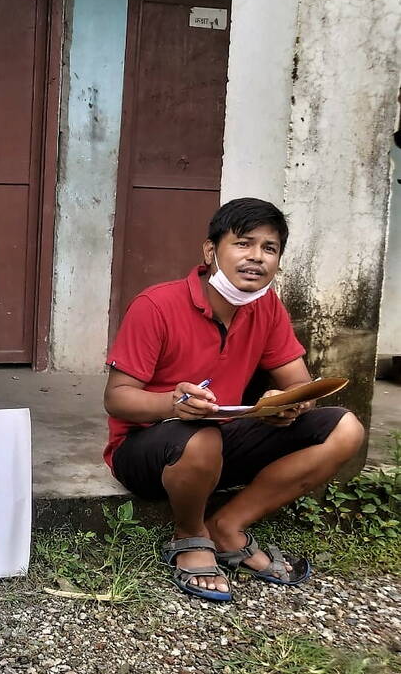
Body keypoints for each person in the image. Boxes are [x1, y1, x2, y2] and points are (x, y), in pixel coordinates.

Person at [103, 198, 364, 602]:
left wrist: (286, 403)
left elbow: (303, 385)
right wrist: (173, 405)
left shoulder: (267, 308)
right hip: (147, 452)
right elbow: (117, 400)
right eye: (243, 243)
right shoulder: (156, 305)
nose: (257, 257)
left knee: (345, 428)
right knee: (200, 438)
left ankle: (228, 526)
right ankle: (190, 535)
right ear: (211, 251)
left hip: (221, 442)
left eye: (270, 248)